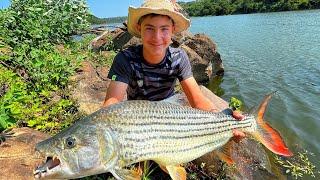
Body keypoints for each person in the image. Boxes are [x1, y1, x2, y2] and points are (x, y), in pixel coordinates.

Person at [103, 0, 245, 135]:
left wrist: (224, 119)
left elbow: (197, 100)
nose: (157, 37)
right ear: (139, 29)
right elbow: (112, 102)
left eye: (164, 29)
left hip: (171, 116)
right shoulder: (125, 59)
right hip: (140, 122)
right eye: (149, 28)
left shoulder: (179, 57)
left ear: (173, 30)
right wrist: (103, 126)